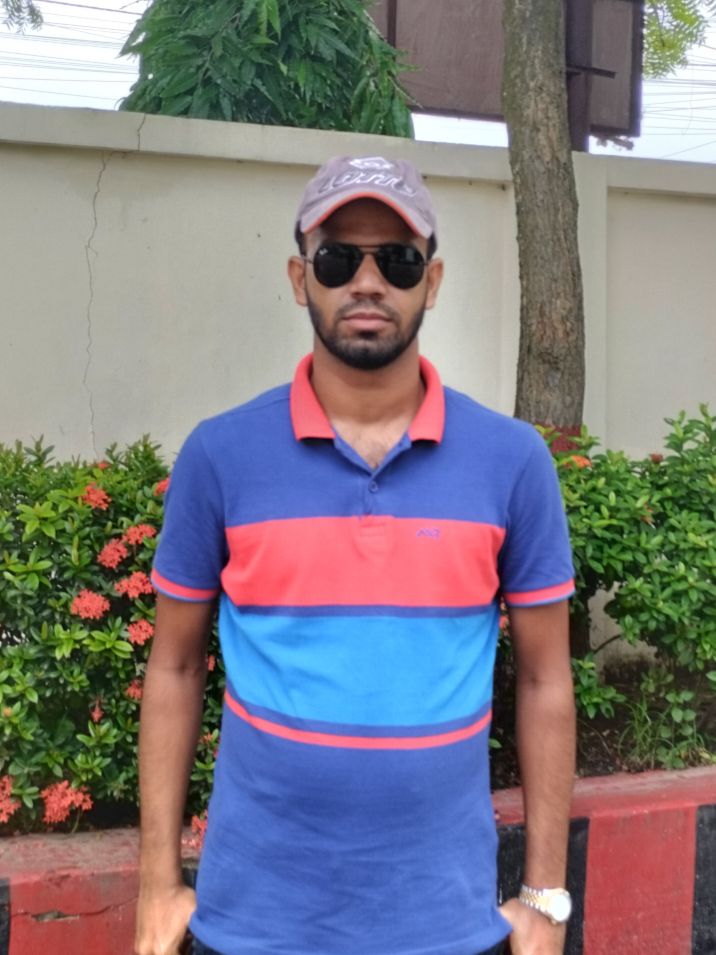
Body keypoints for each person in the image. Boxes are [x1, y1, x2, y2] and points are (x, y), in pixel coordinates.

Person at [135, 155, 576, 955]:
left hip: (445, 926)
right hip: (252, 926)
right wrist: (156, 884)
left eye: (397, 260)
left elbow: (546, 680)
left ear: (431, 282)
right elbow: (174, 666)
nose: (367, 282)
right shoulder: (220, 456)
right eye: (339, 258)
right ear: (300, 277)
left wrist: (545, 896)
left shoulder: (511, 462)